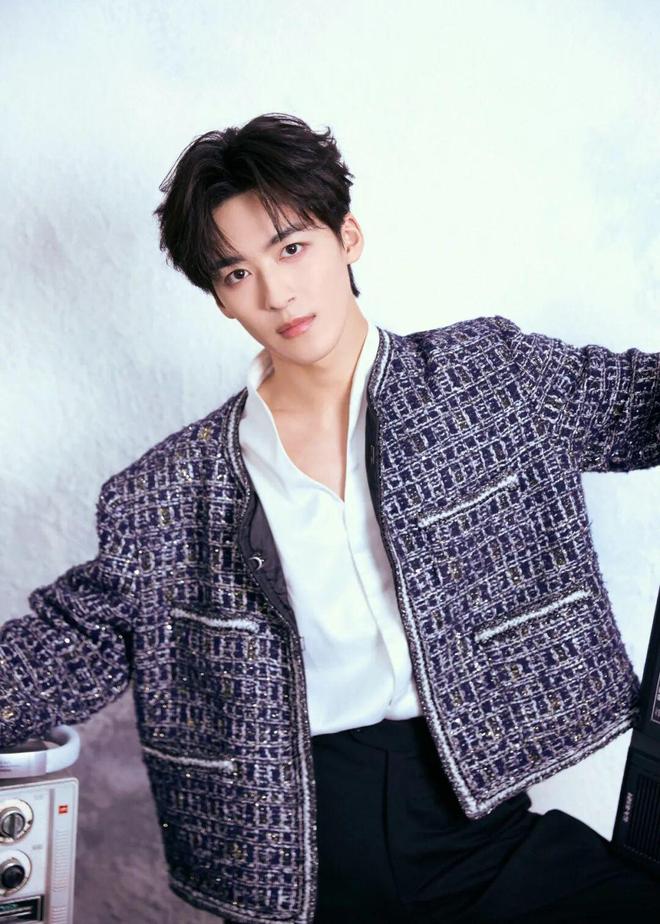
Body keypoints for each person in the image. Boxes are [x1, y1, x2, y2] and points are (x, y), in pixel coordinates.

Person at [1, 112, 659, 923]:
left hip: (482, 830)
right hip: (304, 865)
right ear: (220, 298)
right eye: (236, 273)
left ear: (347, 237)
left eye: (291, 248)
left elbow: (645, 405)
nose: (276, 293)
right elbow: (61, 650)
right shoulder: (169, 490)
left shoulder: (486, 379)